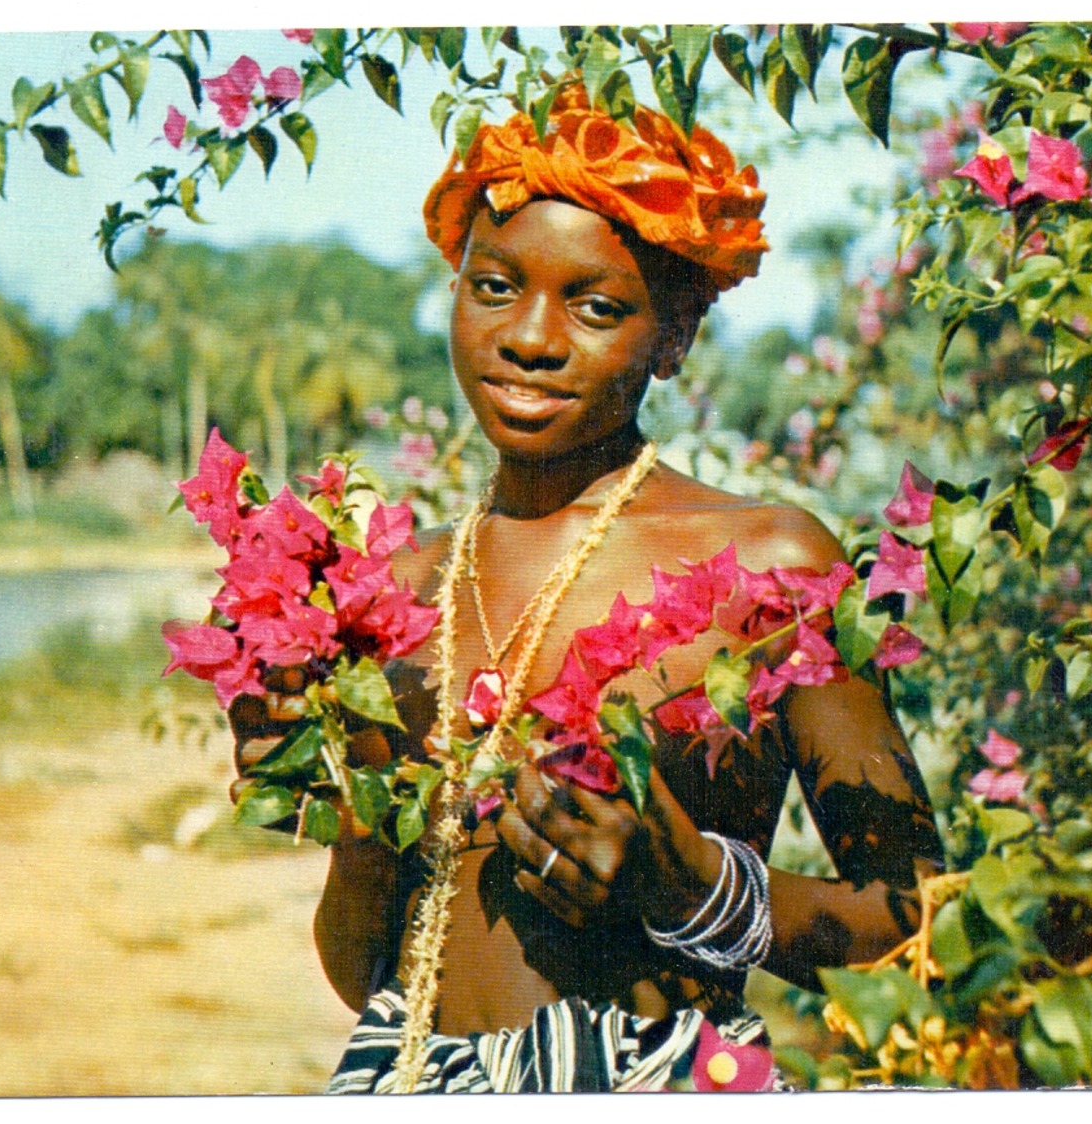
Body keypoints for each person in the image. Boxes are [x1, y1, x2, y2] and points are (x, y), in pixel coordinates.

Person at [230, 83, 943, 1093]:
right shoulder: (390, 591)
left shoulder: (768, 564)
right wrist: (347, 804)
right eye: (493, 287)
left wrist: (688, 884)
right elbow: (370, 975)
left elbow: (920, 915)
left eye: (596, 305)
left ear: (674, 337)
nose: (529, 337)